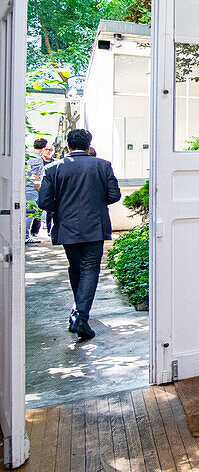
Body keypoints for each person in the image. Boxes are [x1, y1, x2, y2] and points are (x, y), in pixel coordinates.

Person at [37, 129, 121, 341]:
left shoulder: (53, 168)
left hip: (67, 227)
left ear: (68, 145)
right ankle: (80, 316)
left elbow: (44, 202)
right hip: (94, 226)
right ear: (88, 144)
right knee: (89, 268)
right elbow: (114, 195)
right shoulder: (102, 165)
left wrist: (64, 208)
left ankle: (79, 314)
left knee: (76, 268)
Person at [24, 138, 50, 243]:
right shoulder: (38, 159)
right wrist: (40, 190)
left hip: (25, 187)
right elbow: (35, 176)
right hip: (31, 189)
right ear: (44, 148)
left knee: (25, 212)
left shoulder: (28, 156)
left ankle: (25, 235)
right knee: (31, 213)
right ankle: (26, 236)